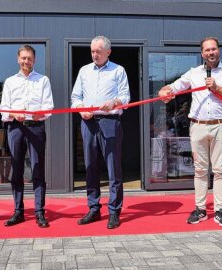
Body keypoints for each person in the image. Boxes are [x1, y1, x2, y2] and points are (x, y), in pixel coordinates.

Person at [158, 37, 222, 227]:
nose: (211, 52)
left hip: (220, 125)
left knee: (220, 170)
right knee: (200, 170)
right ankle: (201, 209)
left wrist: (217, 88)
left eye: (214, 49)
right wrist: (166, 90)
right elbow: (177, 85)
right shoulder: (194, 73)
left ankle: (220, 211)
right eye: (207, 50)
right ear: (202, 53)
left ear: (219, 50)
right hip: (198, 126)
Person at [71, 36, 130, 229]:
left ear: (108, 52)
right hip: (88, 123)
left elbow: (125, 97)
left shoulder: (118, 70)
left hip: (110, 122)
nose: (94, 55)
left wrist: (114, 102)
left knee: (113, 168)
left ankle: (114, 211)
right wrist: (81, 109)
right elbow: (75, 97)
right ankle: (94, 208)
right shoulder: (84, 71)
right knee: (91, 167)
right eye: (92, 51)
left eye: (98, 51)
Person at [0, 45, 54, 228]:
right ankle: (18, 212)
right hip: (15, 129)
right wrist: (14, 115)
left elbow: (49, 107)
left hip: (36, 128)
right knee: (17, 170)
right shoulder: (9, 81)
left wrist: (41, 114)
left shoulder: (43, 80)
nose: (26, 61)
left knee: (38, 170)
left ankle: (39, 212)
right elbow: (3, 109)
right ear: (18, 59)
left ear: (34, 60)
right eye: (23, 58)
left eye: (29, 58)